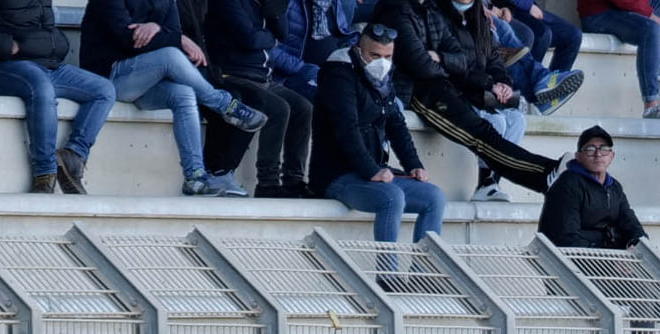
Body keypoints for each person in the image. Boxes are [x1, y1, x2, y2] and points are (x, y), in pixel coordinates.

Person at [79, 0, 269, 195]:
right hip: (108, 78)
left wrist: (157, 28)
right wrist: (178, 39)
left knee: (184, 93)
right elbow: (129, 39)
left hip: (145, 80)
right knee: (169, 55)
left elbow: (173, 29)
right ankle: (224, 104)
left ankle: (194, 177)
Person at [377, 0, 561, 199]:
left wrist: (442, 58)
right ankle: (543, 174)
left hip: (441, 85)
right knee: (480, 136)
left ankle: (544, 173)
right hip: (418, 92)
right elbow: (421, 64)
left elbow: (461, 59)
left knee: (486, 133)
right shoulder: (396, 9)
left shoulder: (429, 9)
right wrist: (447, 64)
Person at [0, 0, 118, 194]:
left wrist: (55, 44)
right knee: (41, 86)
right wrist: (8, 46)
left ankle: (74, 155)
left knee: (103, 90)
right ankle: (45, 173)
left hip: (44, 66)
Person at [310, 24, 446, 245]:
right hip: (337, 176)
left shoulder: (383, 79)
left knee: (434, 197)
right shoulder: (338, 75)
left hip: (371, 172)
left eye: (387, 56)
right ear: (358, 50)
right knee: (392, 198)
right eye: (374, 55)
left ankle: (424, 275)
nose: (381, 62)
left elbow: (396, 124)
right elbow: (347, 129)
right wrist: (371, 170)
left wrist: (414, 165)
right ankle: (387, 277)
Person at [190, 0, 314, 195]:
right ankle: (267, 183)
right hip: (233, 75)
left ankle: (293, 180)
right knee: (278, 108)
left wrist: (275, 14)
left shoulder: (265, 4)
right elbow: (249, 39)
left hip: (265, 78)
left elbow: (282, 33)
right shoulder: (228, 3)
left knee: (303, 107)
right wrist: (271, 39)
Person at [578, 0, 660, 121]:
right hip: (599, 14)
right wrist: (649, 14)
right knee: (651, 29)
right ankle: (651, 107)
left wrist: (649, 12)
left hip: (630, 8)